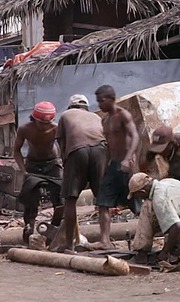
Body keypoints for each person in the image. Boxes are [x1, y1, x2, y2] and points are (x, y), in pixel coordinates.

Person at [56, 94, 107, 251]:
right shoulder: (96, 116)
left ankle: (69, 244)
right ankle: (105, 240)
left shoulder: (65, 115)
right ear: (86, 107)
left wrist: (65, 161)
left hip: (78, 150)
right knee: (103, 200)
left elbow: (61, 142)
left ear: (71, 107)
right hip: (100, 149)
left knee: (70, 199)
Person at [96, 85, 141, 249]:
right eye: (98, 101)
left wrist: (128, 159)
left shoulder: (123, 115)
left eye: (102, 100)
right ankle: (104, 240)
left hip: (126, 165)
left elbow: (134, 136)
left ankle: (143, 239)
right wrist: (106, 165)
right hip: (113, 165)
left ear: (111, 98)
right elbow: (109, 145)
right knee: (103, 203)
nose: (99, 104)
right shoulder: (105, 120)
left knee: (137, 205)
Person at [14, 101, 63, 242]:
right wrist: (24, 171)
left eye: (47, 124)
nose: (44, 127)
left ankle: (54, 228)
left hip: (52, 163)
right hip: (33, 164)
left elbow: (63, 148)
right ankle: (28, 226)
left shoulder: (55, 129)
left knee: (60, 197)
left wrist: (62, 163)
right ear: (34, 119)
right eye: (41, 123)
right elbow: (16, 151)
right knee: (30, 197)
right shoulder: (24, 129)